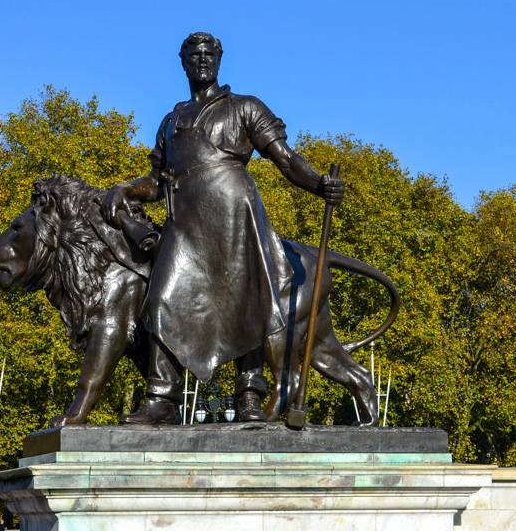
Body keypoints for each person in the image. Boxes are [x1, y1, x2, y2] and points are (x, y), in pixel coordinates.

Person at [103, 32, 343, 424]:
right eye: (194, 55)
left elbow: (285, 159)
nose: (202, 60)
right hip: (185, 226)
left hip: (235, 217)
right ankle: (162, 398)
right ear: (183, 63)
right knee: (161, 300)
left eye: (209, 54)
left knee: (246, 302)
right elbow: (157, 181)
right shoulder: (171, 121)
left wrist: (319, 184)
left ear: (219, 59)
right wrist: (125, 188)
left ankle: (249, 394)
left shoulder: (244, 107)